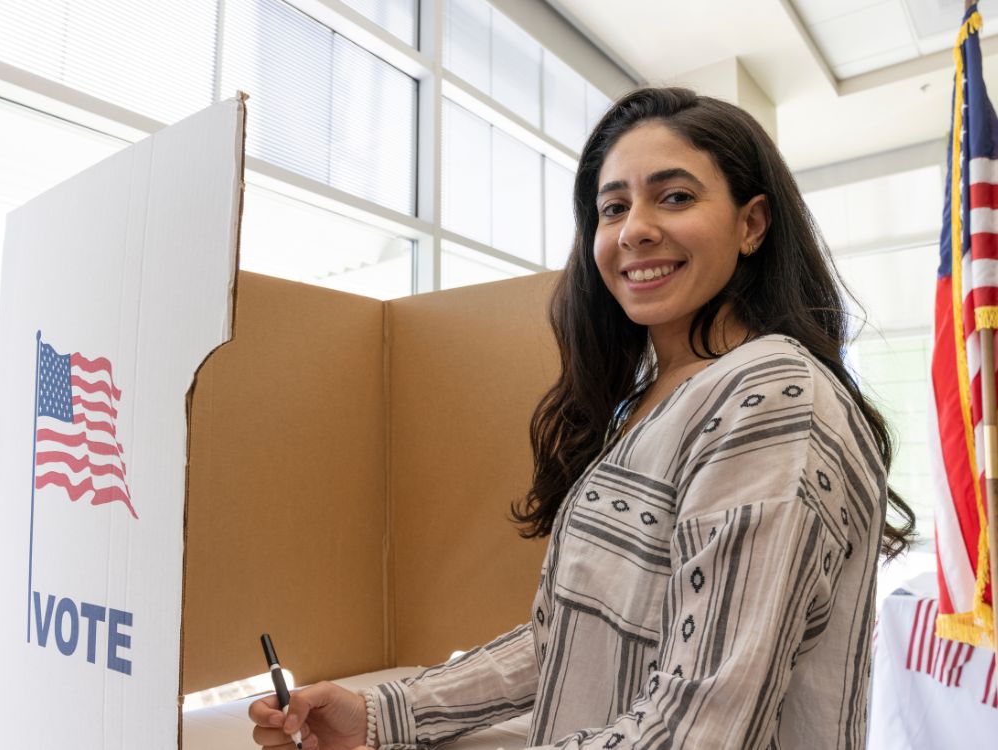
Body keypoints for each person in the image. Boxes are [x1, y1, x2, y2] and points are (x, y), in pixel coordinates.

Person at [249, 87, 915, 750]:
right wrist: (378, 715)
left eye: (675, 197)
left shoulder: (769, 396)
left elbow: (699, 730)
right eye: (613, 207)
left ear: (752, 224)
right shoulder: (653, 401)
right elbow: (568, 639)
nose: (635, 229)